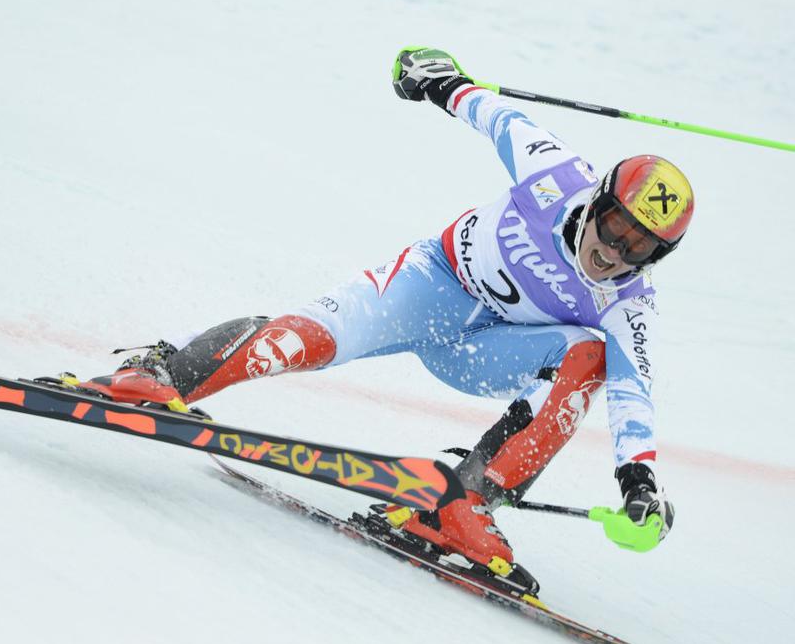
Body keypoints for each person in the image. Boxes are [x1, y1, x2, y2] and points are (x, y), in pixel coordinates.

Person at [78, 47, 684, 584]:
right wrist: (440, 80)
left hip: (486, 352)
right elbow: (496, 115)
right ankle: (163, 375)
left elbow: (633, 394)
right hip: (431, 286)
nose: (614, 252)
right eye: (615, 226)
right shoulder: (553, 172)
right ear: (599, 200)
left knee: (592, 354)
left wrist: (639, 482)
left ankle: (466, 501)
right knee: (304, 341)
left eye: (640, 248)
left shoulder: (630, 303)